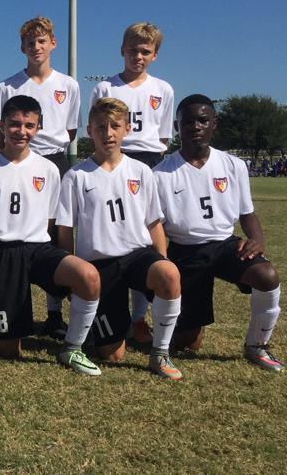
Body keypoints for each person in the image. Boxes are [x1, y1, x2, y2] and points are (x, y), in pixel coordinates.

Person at [0, 95, 102, 375]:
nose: (22, 131)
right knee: (8, 351)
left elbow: (50, 221)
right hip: (1, 253)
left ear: (38, 128)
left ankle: (72, 349)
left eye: (29, 125)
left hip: (38, 249)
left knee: (88, 276)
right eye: (15, 124)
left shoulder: (49, 170)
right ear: (2, 125)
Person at [55, 98, 183, 380]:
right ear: (90, 130)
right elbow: (65, 230)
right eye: (101, 127)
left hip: (137, 257)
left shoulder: (141, 171)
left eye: (115, 126)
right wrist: (72, 274)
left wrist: (161, 262)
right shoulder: (76, 176)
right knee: (113, 354)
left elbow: (154, 224)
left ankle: (160, 354)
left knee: (169, 273)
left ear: (127, 129)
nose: (108, 133)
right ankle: (98, 331)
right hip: (100, 265)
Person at [154, 94, 282, 372]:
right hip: (185, 251)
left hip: (225, 246)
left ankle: (257, 346)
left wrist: (257, 239)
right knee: (189, 342)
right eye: (187, 122)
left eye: (202, 120)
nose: (195, 126)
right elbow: (158, 228)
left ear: (214, 123)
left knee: (267, 276)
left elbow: (247, 213)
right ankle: (182, 329)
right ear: (177, 127)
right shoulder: (161, 174)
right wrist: (164, 261)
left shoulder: (233, 165)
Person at [0, 17, 82, 339]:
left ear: (53, 43)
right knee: (19, 230)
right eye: (30, 42)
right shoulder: (7, 86)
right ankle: (7, 302)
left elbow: (69, 130)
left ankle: (54, 314)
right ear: (22, 47)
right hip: (16, 161)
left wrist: (44, 156)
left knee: (52, 234)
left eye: (42, 41)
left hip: (52, 163)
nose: (36, 47)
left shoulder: (68, 85)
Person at [89, 22, 175, 343]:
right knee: (114, 232)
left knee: (144, 236)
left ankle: (139, 317)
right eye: (132, 49)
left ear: (154, 55)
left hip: (149, 164)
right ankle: (106, 308)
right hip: (114, 160)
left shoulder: (163, 90)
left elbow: (162, 136)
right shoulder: (104, 88)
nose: (137, 56)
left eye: (145, 51)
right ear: (121, 50)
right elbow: (98, 129)